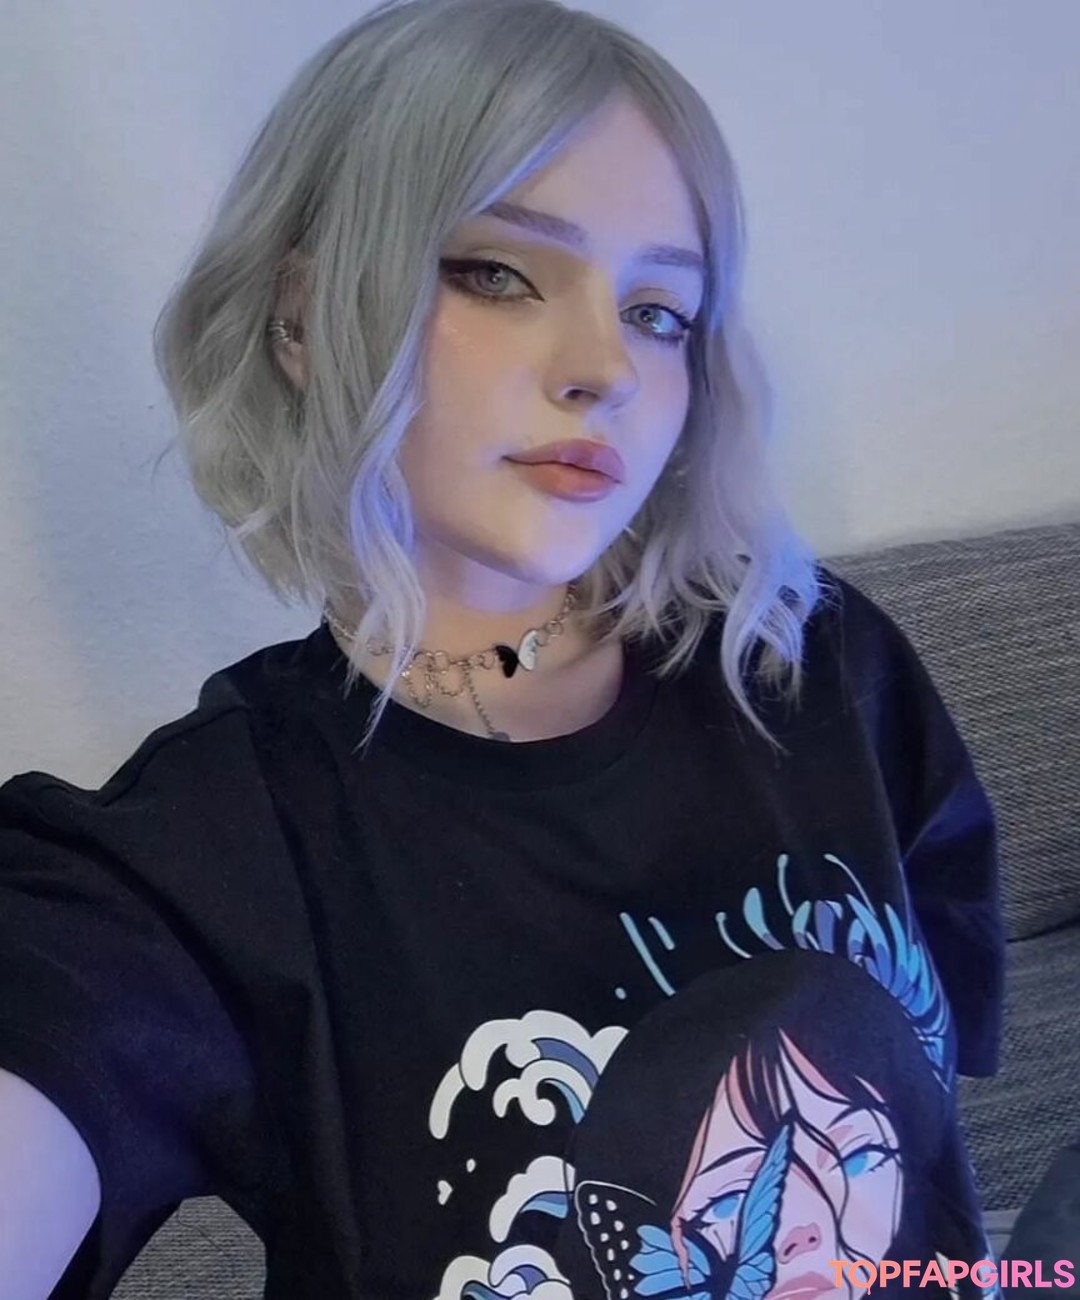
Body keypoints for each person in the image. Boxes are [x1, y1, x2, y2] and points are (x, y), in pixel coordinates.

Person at [0, 0, 1006, 1297]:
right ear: (303, 317)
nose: (605, 367)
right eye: (498, 273)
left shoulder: (809, 664)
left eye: (660, 311)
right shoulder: (203, 855)